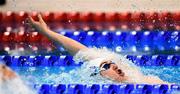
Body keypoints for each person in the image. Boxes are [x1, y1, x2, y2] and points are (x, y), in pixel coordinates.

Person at [27, 14, 169, 84]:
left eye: (111, 62)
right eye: (106, 65)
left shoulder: (146, 80)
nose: (114, 65)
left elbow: (82, 53)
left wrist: (48, 33)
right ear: (98, 76)